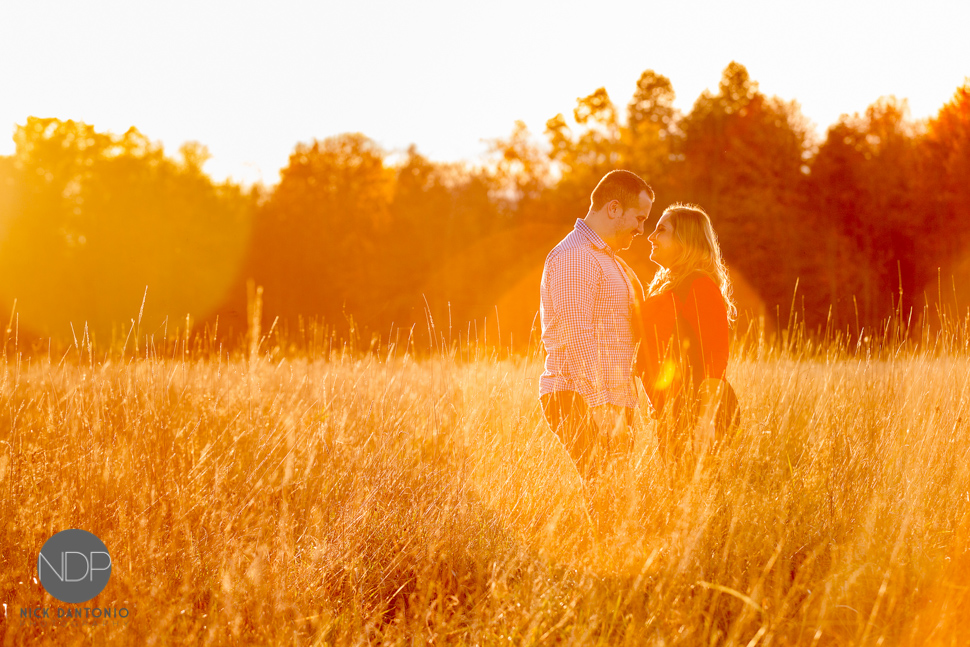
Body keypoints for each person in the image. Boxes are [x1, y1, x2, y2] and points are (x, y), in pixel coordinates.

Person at [539, 170, 654, 486]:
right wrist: (601, 408)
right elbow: (577, 334)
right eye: (639, 218)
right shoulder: (575, 257)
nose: (642, 229)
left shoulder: (608, 258)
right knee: (604, 491)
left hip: (611, 397)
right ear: (614, 209)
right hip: (580, 397)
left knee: (614, 495)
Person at [639, 203, 740, 467]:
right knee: (681, 498)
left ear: (685, 240)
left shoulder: (700, 285)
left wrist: (704, 421)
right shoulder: (669, 284)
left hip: (700, 412)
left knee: (695, 498)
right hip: (675, 412)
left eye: (661, 230)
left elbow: (716, 358)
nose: (651, 236)